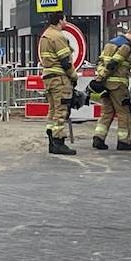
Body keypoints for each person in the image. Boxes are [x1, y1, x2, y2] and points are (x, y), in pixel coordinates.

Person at [88, 27, 131, 151]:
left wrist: (100, 78)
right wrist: (101, 77)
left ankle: (98, 138)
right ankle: (124, 142)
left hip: (105, 86)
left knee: (106, 112)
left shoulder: (110, 43)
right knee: (124, 113)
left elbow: (100, 62)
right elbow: (113, 64)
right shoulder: (125, 46)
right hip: (118, 86)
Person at [38, 11, 76, 155]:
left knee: (53, 110)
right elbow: (65, 61)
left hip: (48, 78)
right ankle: (59, 142)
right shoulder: (57, 36)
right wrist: (73, 77)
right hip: (59, 79)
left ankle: (51, 142)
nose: (66, 23)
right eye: (65, 20)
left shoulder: (45, 36)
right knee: (61, 111)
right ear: (60, 21)